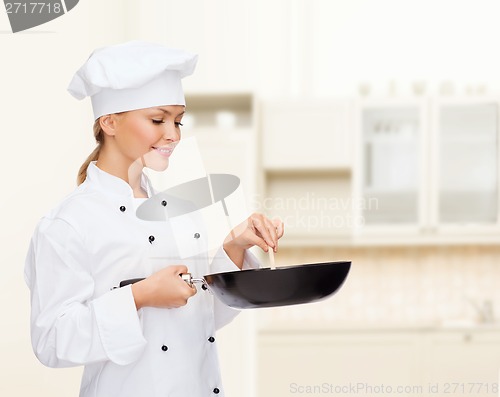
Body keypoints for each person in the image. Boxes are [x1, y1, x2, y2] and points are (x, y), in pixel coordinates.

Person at [24, 40, 284, 397]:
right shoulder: (68, 224)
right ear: (110, 122)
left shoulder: (176, 210)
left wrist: (234, 246)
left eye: (178, 121)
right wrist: (139, 296)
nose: (173, 135)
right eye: (157, 120)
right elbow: (52, 340)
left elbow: (200, 318)